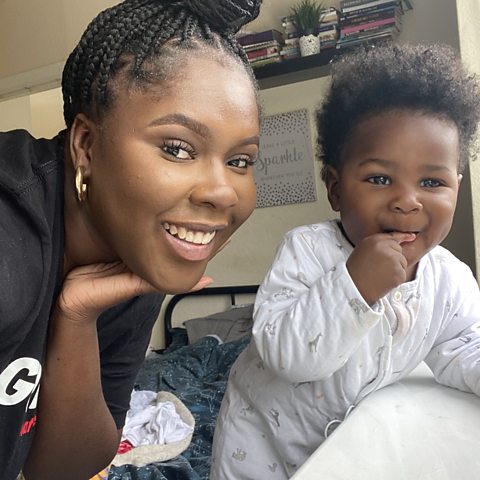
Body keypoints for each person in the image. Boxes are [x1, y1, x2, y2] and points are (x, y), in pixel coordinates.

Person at [0, 0, 264, 478]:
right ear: (86, 144)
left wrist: (77, 316)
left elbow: (62, 469)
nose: (224, 192)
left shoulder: (131, 256)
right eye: (178, 149)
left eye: (240, 161)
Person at [211, 42, 480, 479]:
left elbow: (463, 347)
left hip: (350, 448)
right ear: (335, 188)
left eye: (432, 181)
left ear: (457, 188)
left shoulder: (449, 279)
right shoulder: (308, 251)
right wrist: (354, 287)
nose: (407, 201)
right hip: (266, 447)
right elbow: (286, 355)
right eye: (379, 178)